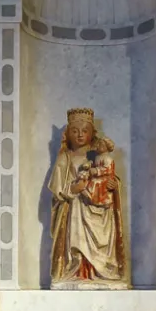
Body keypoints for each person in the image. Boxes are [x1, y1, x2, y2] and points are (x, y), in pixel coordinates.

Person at [48, 107, 127, 287]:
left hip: (101, 212)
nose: (80, 135)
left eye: (85, 131)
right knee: (78, 243)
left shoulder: (100, 155)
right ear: (68, 134)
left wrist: (114, 185)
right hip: (76, 210)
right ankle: (78, 272)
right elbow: (57, 190)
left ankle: (101, 273)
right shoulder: (65, 158)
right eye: (75, 131)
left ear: (93, 133)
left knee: (102, 241)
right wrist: (74, 188)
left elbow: (109, 176)